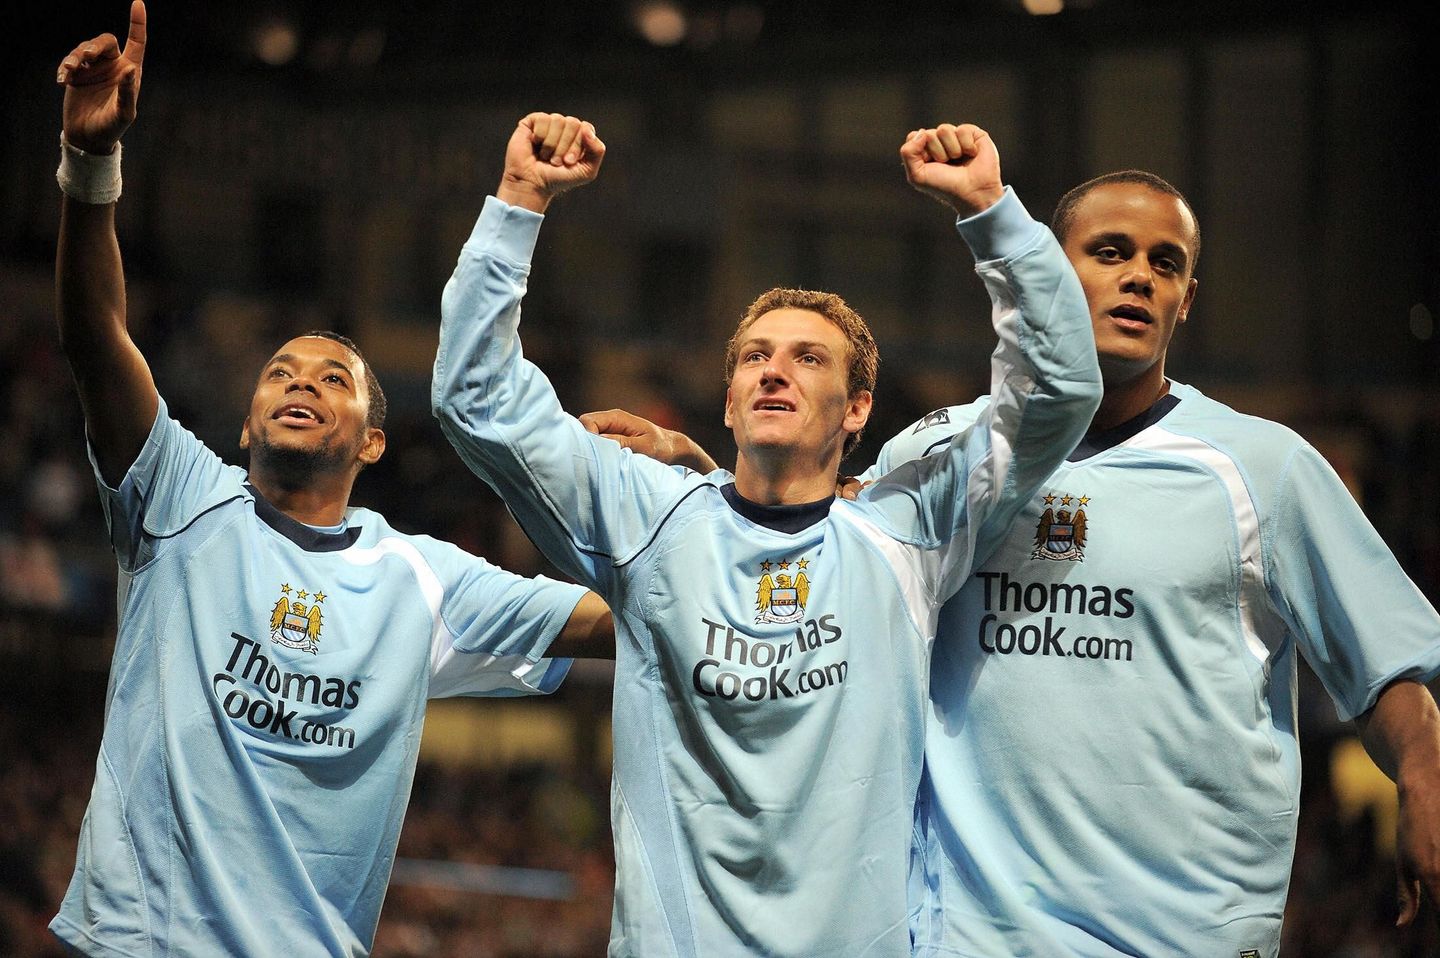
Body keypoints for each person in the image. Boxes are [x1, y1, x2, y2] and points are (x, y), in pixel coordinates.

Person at [599, 169, 1440, 955]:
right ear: (1050, 276)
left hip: (1181, 931)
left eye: (1166, 264)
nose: (1138, 277)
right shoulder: (941, 453)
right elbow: (815, 539)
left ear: (1187, 300)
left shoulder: (1266, 468)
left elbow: (1386, 663)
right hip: (970, 933)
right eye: (1109, 253)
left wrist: (1423, 775)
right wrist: (706, 470)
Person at [430, 112, 1101, 955]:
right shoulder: (648, 520)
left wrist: (992, 212)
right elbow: (476, 398)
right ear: (729, 401)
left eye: (808, 359)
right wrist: (519, 199)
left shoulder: (913, 530)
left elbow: (1061, 389)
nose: (774, 370)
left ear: (857, 409)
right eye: (754, 357)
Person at [50, 6, 612, 956]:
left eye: (332, 378)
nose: (301, 382)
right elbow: (96, 340)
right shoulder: (182, 499)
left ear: (373, 443)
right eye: (279, 372)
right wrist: (90, 164)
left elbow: (620, 619)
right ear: (244, 424)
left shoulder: (423, 579)